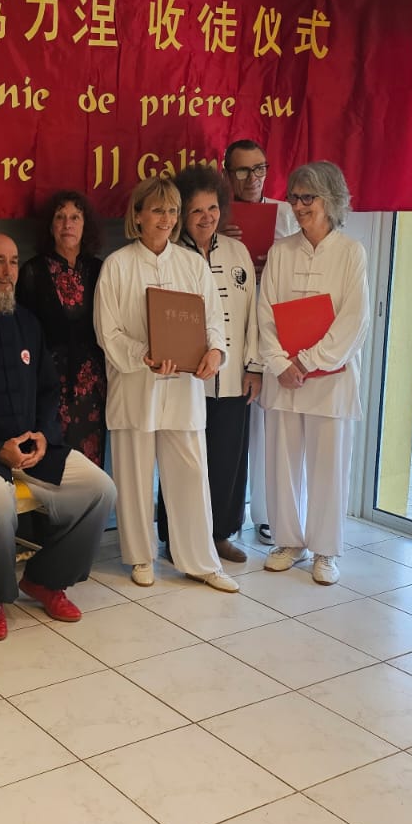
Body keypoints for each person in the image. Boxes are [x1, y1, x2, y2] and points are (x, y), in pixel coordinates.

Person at [0, 234, 118, 641]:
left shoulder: (28, 323)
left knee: (100, 490)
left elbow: (49, 390)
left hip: (33, 447)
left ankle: (46, 580)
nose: (8, 271)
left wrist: (45, 435)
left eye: (13, 261)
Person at [93, 176, 239, 593]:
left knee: (191, 475)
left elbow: (214, 321)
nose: (167, 219)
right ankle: (141, 556)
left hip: (183, 389)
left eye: (173, 211)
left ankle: (200, 561)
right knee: (135, 475)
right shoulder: (117, 265)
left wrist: (216, 353)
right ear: (137, 215)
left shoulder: (192, 265)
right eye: (158, 210)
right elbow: (107, 331)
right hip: (136, 386)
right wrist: (142, 354)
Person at [258, 161, 372, 586]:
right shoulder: (281, 252)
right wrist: (280, 364)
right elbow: (265, 313)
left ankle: (326, 550)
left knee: (329, 466)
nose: (300, 205)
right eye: (295, 197)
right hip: (284, 377)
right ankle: (288, 541)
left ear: (332, 200)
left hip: (330, 380)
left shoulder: (351, 252)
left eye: (309, 197)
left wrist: (308, 361)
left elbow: (354, 320)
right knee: (282, 462)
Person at [156, 166, 260, 565]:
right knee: (183, 462)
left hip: (232, 378)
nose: (206, 217)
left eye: (212, 208)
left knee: (227, 458)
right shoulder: (170, 256)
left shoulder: (237, 252)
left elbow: (253, 315)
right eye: (196, 210)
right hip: (185, 380)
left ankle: (220, 535)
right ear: (182, 213)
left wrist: (254, 367)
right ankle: (176, 538)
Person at [219, 139, 301, 549]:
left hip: (271, 327)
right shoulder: (215, 215)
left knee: (269, 425)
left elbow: (302, 269)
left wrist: (274, 266)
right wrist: (220, 239)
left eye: (260, 169)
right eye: (242, 170)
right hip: (226, 328)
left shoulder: (285, 214)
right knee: (231, 428)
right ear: (227, 174)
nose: (252, 178)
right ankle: (224, 519)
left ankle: (267, 515)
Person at [16, 191, 107, 467]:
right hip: (49, 385)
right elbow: (24, 334)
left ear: (85, 225)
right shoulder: (32, 271)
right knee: (54, 463)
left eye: (75, 217)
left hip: (93, 386)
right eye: (60, 217)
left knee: (90, 466)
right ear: (50, 225)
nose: (68, 224)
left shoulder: (100, 269)